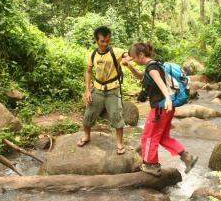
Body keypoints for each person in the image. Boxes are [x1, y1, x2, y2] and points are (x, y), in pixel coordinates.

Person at [122, 41, 198, 176]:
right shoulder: (153, 65)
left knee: (148, 136)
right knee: (162, 137)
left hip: (160, 108)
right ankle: (187, 158)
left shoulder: (152, 68)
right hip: (165, 108)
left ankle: (151, 165)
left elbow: (161, 84)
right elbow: (141, 76)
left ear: (140, 55)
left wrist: (168, 99)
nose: (133, 60)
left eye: (133, 58)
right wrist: (130, 67)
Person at [77, 26, 128, 155]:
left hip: (113, 89)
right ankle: (87, 136)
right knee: (89, 114)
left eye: (107, 41)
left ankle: (119, 144)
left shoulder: (115, 52)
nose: (105, 44)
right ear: (96, 40)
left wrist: (127, 58)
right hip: (97, 89)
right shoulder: (92, 54)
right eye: (102, 41)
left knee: (116, 115)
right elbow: (88, 72)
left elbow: (126, 54)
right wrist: (87, 91)